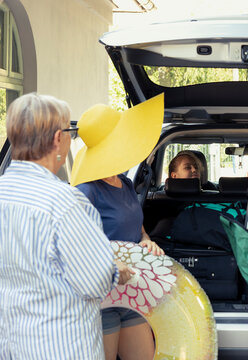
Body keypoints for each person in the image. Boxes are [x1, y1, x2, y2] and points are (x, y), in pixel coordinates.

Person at [0, 93, 131, 359]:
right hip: (61, 345)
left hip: (12, 343)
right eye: (71, 132)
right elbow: (95, 281)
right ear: (58, 139)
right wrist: (116, 271)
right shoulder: (66, 203)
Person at [71, 94, 165, 360]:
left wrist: (146, 239)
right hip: (101, 295)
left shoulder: (123, 183)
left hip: (131, 290)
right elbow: (75, 242)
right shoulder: (86, 190)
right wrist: (110, 262)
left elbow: (136, 224)